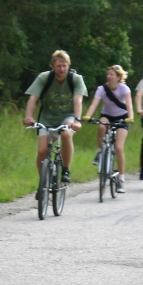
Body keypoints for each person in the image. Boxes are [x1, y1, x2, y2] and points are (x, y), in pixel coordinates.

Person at [23, 50, 87, 194]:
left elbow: (78, 100)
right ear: (52, 66)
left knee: (65, 134)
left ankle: (65, 170)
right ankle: (43, 183)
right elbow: (33, 98)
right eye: (58, 66)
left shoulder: (76, 79)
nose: (62, 69)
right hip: (47, 117)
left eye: (64, 66)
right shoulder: (44, 78)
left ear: (68, 66)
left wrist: (77, 120)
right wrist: (28, 116)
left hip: (68, 116)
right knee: (42, 150)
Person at [82, 64, 134, 192]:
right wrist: (87, 116)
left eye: (112, 75)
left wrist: (130, 118)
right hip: (107, 116)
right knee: (101, 126)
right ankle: (101, 151)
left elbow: (129, 106)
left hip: (122, 117)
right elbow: (94, 105)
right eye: (108, 74)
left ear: (118, 77)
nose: (109, 76)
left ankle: (121, 179)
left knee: (119, 147)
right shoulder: (102, 89)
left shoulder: (124, 89)